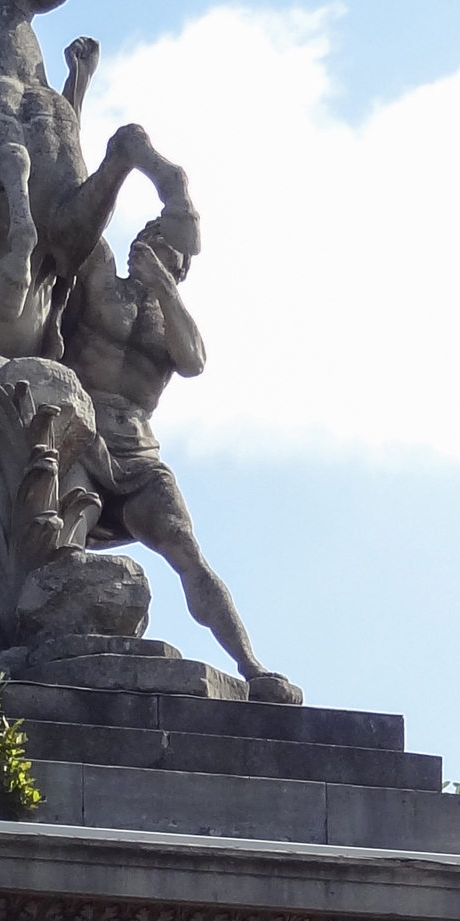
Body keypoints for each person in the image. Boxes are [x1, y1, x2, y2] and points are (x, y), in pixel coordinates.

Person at [60, 219, 297, 701]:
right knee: (65, 537)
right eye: (150, 236)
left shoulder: (171, 322)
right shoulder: (102, 280)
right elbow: (72, 233)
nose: (151, 247)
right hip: (80, 434)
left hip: (138, 449)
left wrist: (164, 286)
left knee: (187, 552)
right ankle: (61, 643)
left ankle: (250, 665)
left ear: (180, 266)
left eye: (167, 246)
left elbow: (193, 361)